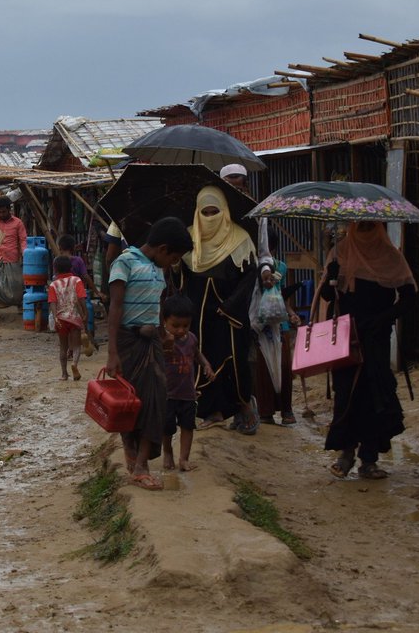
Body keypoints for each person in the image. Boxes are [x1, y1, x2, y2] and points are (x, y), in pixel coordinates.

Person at [320, 221, 416, 480]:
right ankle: (345, 454)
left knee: (375, 395)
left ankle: (369, 460)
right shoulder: (341, 253)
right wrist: (332, 274)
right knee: (346, 393)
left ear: (378, 227)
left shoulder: (392, 257)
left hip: (376, 339)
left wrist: (384, 318)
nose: (363, 230)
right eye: (359, 226)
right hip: (346, 338)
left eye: (368, 226)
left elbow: (409, 298)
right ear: (351, 227)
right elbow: (328, 297)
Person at [106, 216, 194, 490]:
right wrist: (111, 352)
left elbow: (155, 306)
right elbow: (115, 308)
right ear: (164, 248)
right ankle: (130, 447)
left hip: (152, 342)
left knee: (156, 399)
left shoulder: (159, 270)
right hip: (127, 342)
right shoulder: (124, 262)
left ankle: (142, 465)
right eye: (175, 257)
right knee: (128, 401)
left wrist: (163, 334)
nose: (174, 264)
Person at [172, 185, 260, 434]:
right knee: (202, 358)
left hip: (229, 314)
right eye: (205, 212)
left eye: (215, 212)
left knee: (234, 361)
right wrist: (177, 266)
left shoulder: (240, 238)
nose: (210, 218)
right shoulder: (189, 239)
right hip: (199, 314)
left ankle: (243, 405)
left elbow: (248, 277)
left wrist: (230, 305)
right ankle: (213, 411)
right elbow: (181, 281)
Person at [160, 294, 215, 473]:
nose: (181, 330)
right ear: (164, 321)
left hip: (187, 394)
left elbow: (197, 354)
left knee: (188, 426)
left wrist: (206, 365)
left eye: (185, 326)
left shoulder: (191, 338)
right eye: (175, 326)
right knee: (167, 428)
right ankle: (167, 451)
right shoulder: (162, 340)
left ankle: (184, 459)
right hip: (167, 394)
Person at [251, 230, 300, 426]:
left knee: (282, 368)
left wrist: (291, 313)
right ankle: (267, 411)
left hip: (279, 325)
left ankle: (285, 410)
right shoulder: (253, 268)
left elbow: (281, 296)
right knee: (264, 370)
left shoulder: (280, 267)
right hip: (260, 325)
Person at [48, 255, 87, 381]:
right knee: (76, 346)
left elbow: (52, 303)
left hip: (61, 319)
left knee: (63, 347)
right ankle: (74, 364)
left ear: (55, 269)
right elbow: (81, 298)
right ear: (70, 267)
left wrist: (55, 317)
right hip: (74, 318)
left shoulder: (53, 285)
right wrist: (85, 313)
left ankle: (64, 374)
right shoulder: (77, 280)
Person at [0, 198, 27, 321]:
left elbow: (23, 240)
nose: (2, 214)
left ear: (9, 209)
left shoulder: (18, 223)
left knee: (18, 287)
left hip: (13, 260)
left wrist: (25, 254)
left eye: (4, 211)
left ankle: (21, 307)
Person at [57, 233, 103, 302]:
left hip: (62, 296)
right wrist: (97, 292)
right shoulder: (78, 260)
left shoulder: (57, 261)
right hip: (77, 295)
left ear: (60, 248)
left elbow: (55, 278)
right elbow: (86, 276)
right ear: (73, 248)